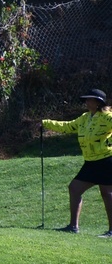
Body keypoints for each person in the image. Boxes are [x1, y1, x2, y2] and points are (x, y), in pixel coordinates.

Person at [42, 88, 112, 237]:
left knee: (107, 193)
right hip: (90, 162)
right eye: (86, 99)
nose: (87, 102)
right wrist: (46, 123)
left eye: (90, 99)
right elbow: (67, 126)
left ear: (98, 102)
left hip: (107, 160)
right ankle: (73, 227)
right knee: (74, 188)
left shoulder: (107, 117)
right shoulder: (85, 117)